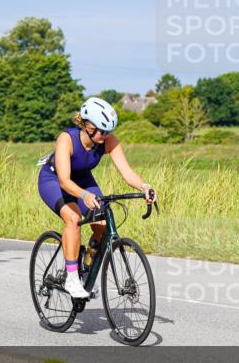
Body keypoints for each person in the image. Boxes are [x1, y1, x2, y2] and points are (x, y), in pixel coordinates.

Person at [37, 97, 156, 298]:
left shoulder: (108, 141)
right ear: (87, 125)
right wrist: (84, 195)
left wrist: (144, 186)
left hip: (83, 180)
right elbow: (65, 181)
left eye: (107, 131)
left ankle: (87, 271)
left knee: (102, 225)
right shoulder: (67, 139)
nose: (104, 135)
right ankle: (72, 279)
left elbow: (127, 173)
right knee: (73, 219)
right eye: (101, 130)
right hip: (54, 180)